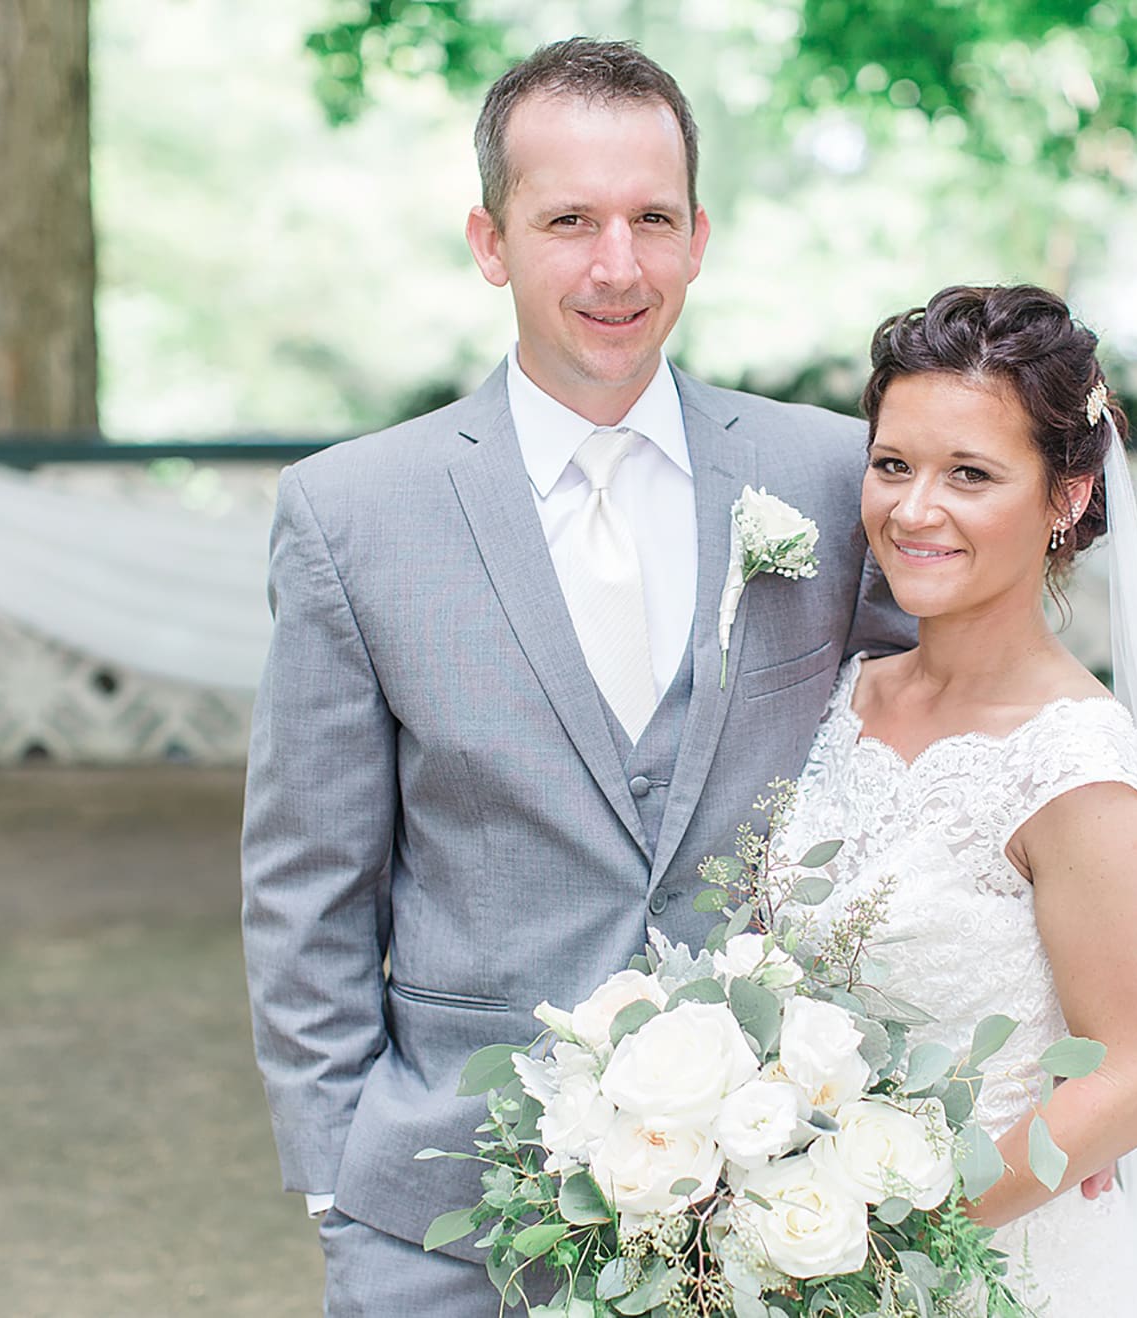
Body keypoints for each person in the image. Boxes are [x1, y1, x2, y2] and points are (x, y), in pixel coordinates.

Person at [239, 38, 913, 1316]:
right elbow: (307, 880)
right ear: (491, 241)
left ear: (699, 236)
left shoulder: (833, 476)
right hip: (443, 1217)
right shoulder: (350, 514)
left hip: (774, 1213)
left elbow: (942, 756)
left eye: (651, 219)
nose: (618, 266)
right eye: (569, 222)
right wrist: (336, 1179)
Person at [781, 284, 1137, 1316]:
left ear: (1064, 499)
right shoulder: (841, 693)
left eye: (970, 475)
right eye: (892, 464)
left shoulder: (1076, 767)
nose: (912, 510)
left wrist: (887, 1244)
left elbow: (1135, 1076)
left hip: (987, 1272)